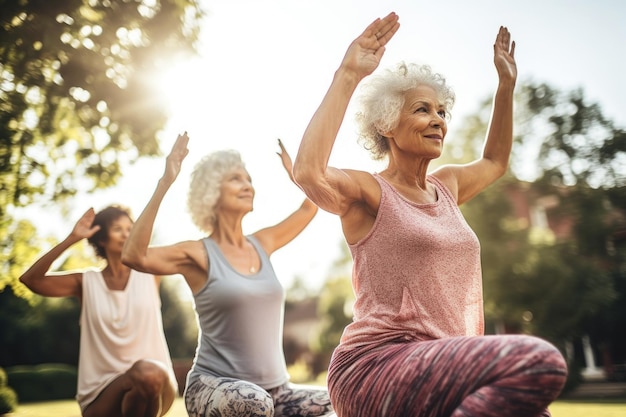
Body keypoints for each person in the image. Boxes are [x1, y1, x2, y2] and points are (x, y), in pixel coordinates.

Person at [293, 12, 568, 417]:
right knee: (539, 360)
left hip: (441, 364)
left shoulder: (447, 187)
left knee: (535, 412)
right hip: (373, 367)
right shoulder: (370, 192)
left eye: (442, 112)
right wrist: (349, 74)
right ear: (387, 124)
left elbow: (494, 161)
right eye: (423, 110)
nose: (438, 120)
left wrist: (505, 87)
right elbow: (309, 173)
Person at [121, 134, 334, 417]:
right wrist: (165, 183)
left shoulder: (263, 242)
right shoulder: (198, 253)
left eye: (249, 180)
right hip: (212, 388)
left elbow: (310, 207)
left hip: (276, 391)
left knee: (343, 399)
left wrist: (296, 172)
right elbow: (134, 255)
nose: (247, 185)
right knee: (255, 403)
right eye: (236, 179)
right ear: (211, 191)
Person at [19, 205, 177, 417]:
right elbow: (31, 280)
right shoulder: (85, 282)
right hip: (103, 394)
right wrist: (72, 239)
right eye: (118, 229)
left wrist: (164, 183)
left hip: (156, 383)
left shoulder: (151, 274)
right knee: (143, 375)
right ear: (102, 239)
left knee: (147, 374)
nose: (127, 234)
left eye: (130, 228)